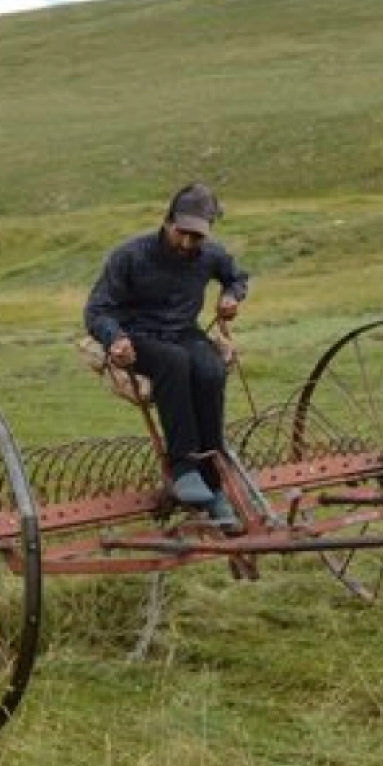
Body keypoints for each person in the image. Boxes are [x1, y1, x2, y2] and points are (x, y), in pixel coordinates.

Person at [84, 182, 249, 522]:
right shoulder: (129, 255)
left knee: (211, 370)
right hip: (137, 337)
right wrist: (115, 338)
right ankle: (184, 469)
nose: (188, 243)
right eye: (182, 233)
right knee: (175, 363)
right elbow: (97, 310)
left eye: (197, 237)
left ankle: (214, 484)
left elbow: (236, 277)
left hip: (183, 333)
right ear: (168, 221)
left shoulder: (212, 255)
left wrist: (232, 296)